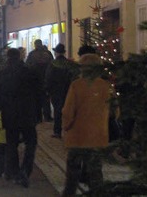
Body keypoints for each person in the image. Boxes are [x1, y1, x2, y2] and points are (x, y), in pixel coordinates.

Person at [61, 54, 113, 197]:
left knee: (72, 173)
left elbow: (68, 111)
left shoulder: (77, 85)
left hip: (78, 136)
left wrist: (66, 127)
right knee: (96, 173)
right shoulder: (106, 86)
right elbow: (115, 110)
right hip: (97, 136)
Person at [0, 48, 43, 188]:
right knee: (31, 143)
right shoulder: (30, 73)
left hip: (10, 115)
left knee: (11, 144)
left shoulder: (1, 75)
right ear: (19, 57)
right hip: (28, 114)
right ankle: (25, 170)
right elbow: (39, 95)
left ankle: (14, 172)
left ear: (7, 57)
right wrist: (39, 114)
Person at [45, 43, 79, 138]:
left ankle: (57, 131)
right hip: (68, 89)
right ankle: (69, 130)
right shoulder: (69, 63)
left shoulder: (53, 64)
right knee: (69, 109)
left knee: (57, 111)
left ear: (56, 52)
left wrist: (48, 90)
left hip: (56, 90)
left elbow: (48, 77)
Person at [26, 39, 54, 122]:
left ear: (35, 45)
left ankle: (38, 117)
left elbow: (28, 66)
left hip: (35, 80)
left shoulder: (32, 54)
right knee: (46, 99)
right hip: (46, 79)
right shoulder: (48, 53)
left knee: (37, 100)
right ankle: (47, 116)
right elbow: (52, 65)